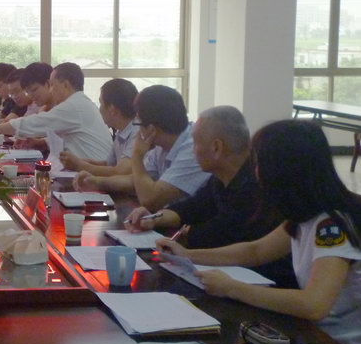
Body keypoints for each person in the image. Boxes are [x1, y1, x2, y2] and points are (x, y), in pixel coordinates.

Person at [156, 120, 361, 344]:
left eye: (259, 163)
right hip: (315, 340)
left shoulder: (332, 226)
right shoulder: (305, 215)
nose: (256, 172)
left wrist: (232, 288)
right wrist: (188, 255)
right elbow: (255, 251)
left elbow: (313, 304)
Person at [126, 106, 295, 287]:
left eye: (195, 143)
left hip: (266, 284)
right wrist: (154, 218)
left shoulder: (256, 185)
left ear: (216, 147)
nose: (193, 151)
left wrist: (188, 236)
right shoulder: (220, 177)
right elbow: (191, 208)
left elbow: (218, 234)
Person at [75, 85, 210, 211]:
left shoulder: (194, 149)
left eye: (138, 123)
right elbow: (134, 180)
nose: (138, 130)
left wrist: (137, 156)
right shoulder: (161, 145)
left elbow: (150, 199)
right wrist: (96, 181)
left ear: (151, 129)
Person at [0, 63, 112, 162]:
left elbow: (34, 124)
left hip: (93, 176)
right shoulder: (77, 103)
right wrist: (41, 143)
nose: (51, 90)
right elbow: (69, 138)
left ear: (66, 85)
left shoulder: (74, 106)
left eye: (52, 85)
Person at [60, 78, 138, 176]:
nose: (99, 109)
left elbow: (120, 172)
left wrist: (79, 165)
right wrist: (79, 162)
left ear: (112, 110)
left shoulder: (137, 133)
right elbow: (108, 164)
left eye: (101, 103)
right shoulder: (122, 131)